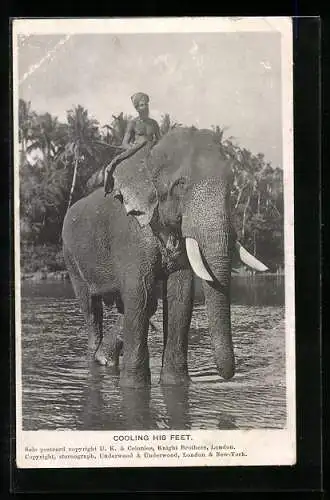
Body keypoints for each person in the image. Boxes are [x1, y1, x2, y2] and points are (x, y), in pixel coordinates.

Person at [104, 92, 161, 194]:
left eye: (147, 104)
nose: (146, 107)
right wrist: (132, 147)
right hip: (136, 151)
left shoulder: (154, 124)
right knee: (116, 165)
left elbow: (160, 140)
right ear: (137, 108)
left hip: (152, 151)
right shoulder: (133, 123)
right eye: (142, 105)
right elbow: (125, 143)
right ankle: (117, 190)